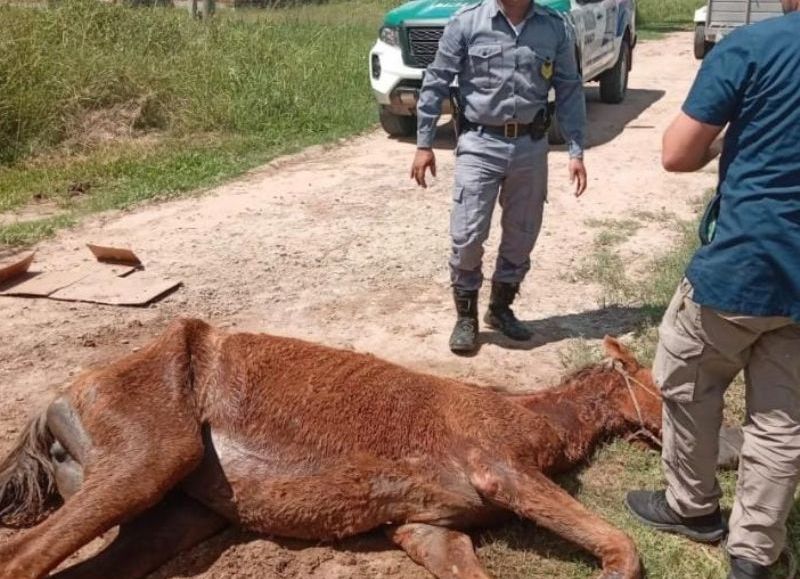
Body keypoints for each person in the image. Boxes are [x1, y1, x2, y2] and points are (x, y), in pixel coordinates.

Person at [625, 2, 800, 578]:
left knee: (688, 381)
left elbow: (677, 154)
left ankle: (692, 508)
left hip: (743, 264)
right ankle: (753, 553)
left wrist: (724, 144)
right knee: (782, 419)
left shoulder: (752, 47)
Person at [410, 0, 588, 354]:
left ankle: (501, 308)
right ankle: (466, 317)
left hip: (531, 146)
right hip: (479, 143)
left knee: (522, 234)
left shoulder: (554, 27)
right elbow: (437, 80)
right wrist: (424, 143)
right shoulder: (466, 22)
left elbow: (569, 87)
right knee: (468, 234)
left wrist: (576, 149)